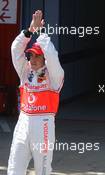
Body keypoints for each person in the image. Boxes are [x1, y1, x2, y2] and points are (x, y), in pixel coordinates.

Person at [7, 10, 64, 175]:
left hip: (44, 124)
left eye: (36, 56)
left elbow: (53, 57)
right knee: (14, 168)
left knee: (43, 170)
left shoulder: (54, 76)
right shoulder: (25, 70)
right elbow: (15, 49)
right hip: (23, 122)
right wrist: (30, 31)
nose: (32, 59)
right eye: (30, 56)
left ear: (44, 58)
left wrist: (41, 35)